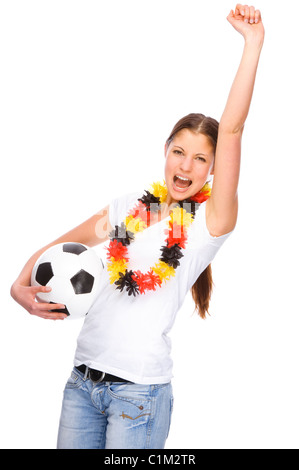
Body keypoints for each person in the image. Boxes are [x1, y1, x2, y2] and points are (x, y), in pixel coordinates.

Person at [10, 5, 264, 449]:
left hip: (139, 395)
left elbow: (234, 131)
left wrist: (253, 44)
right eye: (179, 151)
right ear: (164, 151)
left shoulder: (210, 222)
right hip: (82, 383)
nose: (186, 165)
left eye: (201, 159)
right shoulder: (133, 206)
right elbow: (70, 240)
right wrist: (19, 282)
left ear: (211, 171)